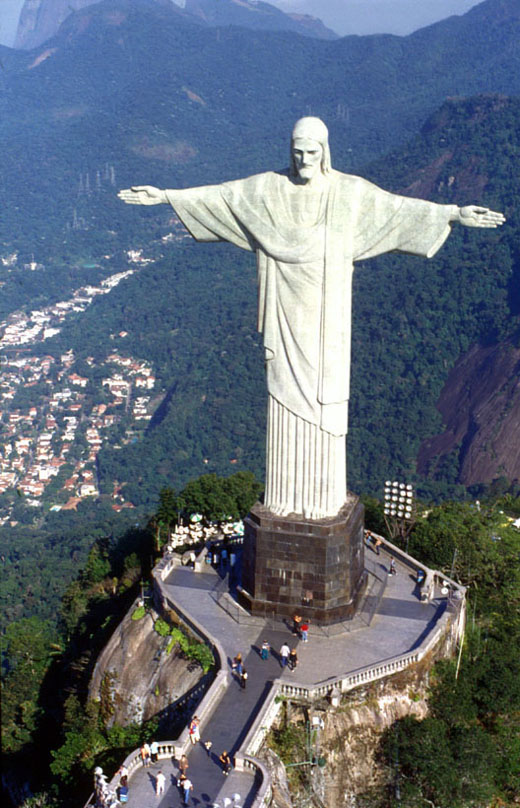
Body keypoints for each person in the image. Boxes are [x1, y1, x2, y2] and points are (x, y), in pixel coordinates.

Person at [119, 118, 504, 522]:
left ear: (325, 153)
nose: (304, 160)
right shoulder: (269, 189)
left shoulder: (348, 193)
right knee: (283, 398)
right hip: (284, 314)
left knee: (325, 405)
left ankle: (322, 502)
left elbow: (398, 209)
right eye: (298, 152)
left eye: (312, 153)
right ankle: (284, 499)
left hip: (327, 320)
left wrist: (454, 214)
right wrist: (165, 196)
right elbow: (224, 197)